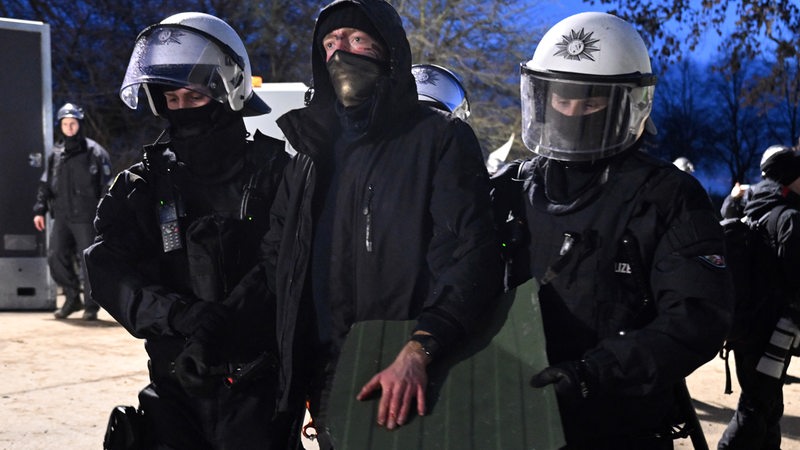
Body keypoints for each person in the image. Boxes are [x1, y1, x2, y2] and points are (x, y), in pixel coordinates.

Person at [265, 0, 502, 447]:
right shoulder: (309, 154)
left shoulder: (439, 139)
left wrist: (424, 345)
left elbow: (470, 254)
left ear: (389, 52)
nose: (341, 54)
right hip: (327, 375)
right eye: (331, 43)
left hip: (407, 370)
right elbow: (279, 258)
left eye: (357, 40)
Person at [492, 12, 733, 449]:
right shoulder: (513, 187)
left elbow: (695, 317)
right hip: (515, 413)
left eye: (591, 102)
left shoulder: (667, 196)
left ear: (629, 104)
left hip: (618, 424)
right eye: (562, 98)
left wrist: (594, 373)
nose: (572, 112)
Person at [83, 12, 298, 449]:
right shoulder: (141, 185)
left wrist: (223, 325)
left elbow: (285, 262)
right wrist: (179, 315)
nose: (181, 109)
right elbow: (106, 269)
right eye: (171, 100)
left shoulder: (278, 174)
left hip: (259, 390)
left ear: (228, 92)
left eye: (193, 97)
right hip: (174, 387)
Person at [718, 145, 800, 449]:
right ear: (790, 178)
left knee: (766, 403)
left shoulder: (749, 209)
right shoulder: (789, 217)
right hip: (772, 330)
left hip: (743, 325)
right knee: (757, 406)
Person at [33, 102, 111, 320]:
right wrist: (39, 209)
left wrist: (104, 214)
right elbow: (45, 184)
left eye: (73, 123)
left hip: (87, 217)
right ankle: (72, 298)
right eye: (65, 124)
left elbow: (107, 186)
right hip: (62, 215)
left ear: (79, 124)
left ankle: (91, 307)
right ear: (61, 126)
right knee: (55, 256)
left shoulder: (95, 152)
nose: (69, 127)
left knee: (88, 262)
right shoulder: (56, 154)